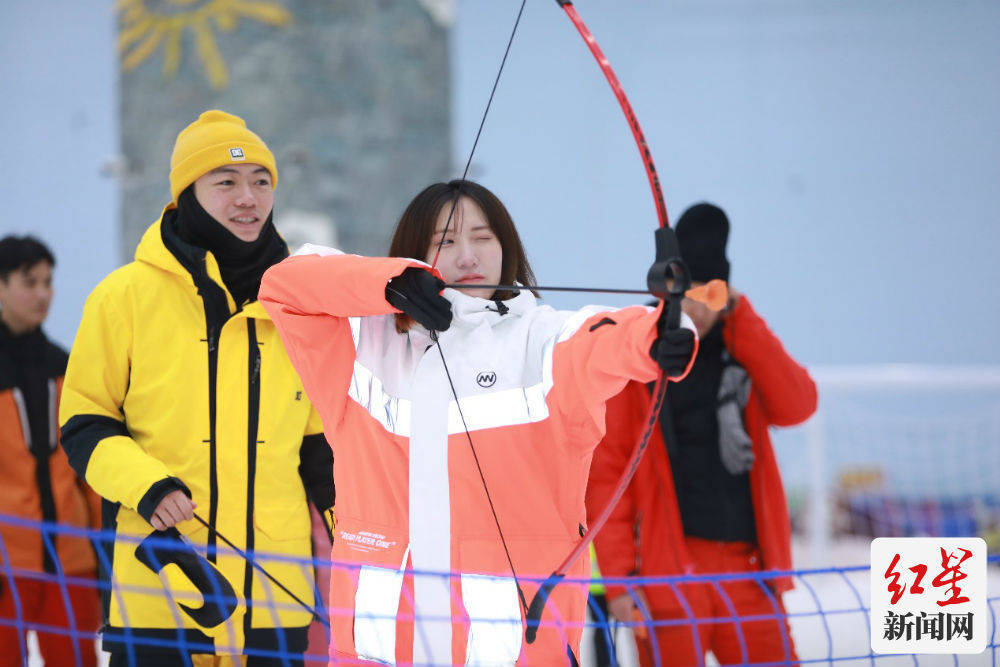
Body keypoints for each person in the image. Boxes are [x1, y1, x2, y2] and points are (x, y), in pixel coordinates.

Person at [257, 179, 698, 666]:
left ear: (506, 247)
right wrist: (388, 283)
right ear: (414, 253)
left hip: (516, 650)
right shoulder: (364, 343)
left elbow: (608, 335)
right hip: (377, 650)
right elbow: (285, 284)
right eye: (445, 242)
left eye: (483, 238)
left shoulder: (542, 340)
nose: (467, 256)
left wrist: (660, 334)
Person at [59, 110, 335, 667]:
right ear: (187, 191)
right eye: (226, 182)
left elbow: (320, 446)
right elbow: (85, 424)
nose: (248, 198)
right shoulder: (123, 298)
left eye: (262, 181)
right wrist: (148, 486)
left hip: (273, 598)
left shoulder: (298, 303)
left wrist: (360, 535)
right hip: (163, 589)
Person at [586, 203, 817, 667]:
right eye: (688, 292)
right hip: (665, 574)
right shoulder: (635, 356)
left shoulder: (738, 346)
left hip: (747, 572)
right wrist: (620, 581)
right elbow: (608, 478)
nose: (699, 307)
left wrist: (743, 316)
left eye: (713, 294)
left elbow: (798, 405)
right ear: (668, 291)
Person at [0, 236, 101, 667]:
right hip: (7, 563)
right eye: (29, 282)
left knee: (76, 659)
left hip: (72, 558)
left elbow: (92, 470)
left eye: (48, 282)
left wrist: (105, 552)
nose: (43, 293)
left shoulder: (68, 367)